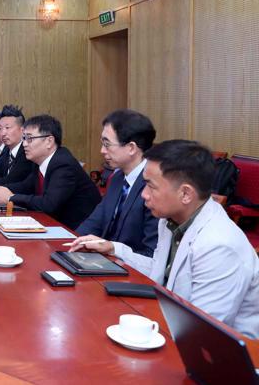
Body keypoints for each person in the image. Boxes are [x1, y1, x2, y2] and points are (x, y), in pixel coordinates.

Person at [71, 140, 259, 339]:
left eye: (151, 187)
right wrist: (113, 248)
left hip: (230, 355)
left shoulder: (219, 245)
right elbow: (159, 270)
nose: (143, 195)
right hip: (175, 325)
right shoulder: (171, 219)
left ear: (185, 193)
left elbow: (204, 330)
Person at [0, 115, 100, 229]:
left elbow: (49, 204)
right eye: (24, 138)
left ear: (49, 141)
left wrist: (11, 197)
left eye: (29, 139)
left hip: (77, 231)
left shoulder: (63, 164)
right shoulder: (39, 161)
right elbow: (25, 186)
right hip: (53, 224)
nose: (24, 144)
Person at [75, 110, 159, 255]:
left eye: (107, 144)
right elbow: (94, 222)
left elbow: (151, 253)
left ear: (131, 148)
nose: (102, 151)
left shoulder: (153, 187)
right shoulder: (118, 178)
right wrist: (72, 242)